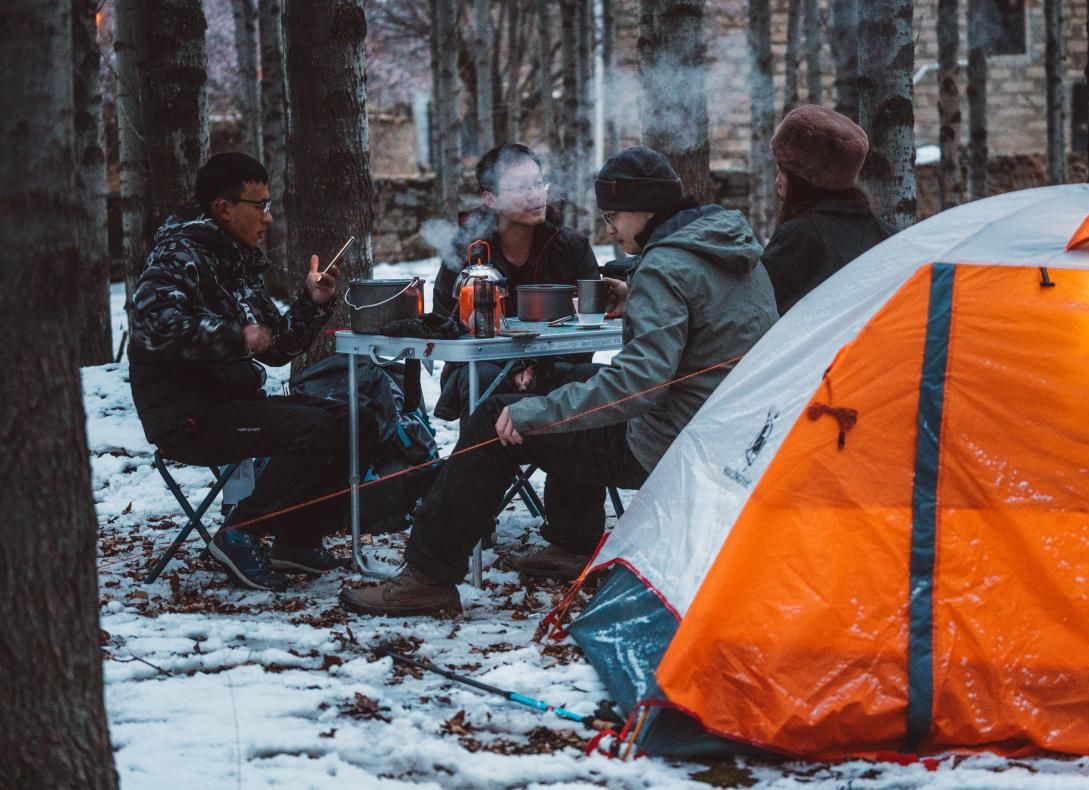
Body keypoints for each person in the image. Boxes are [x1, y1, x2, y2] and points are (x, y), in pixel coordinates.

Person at [340, 146, 779, 617]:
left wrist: (537, 412)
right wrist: (636, 299)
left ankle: (427, 576)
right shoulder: (728, 247)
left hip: (668, 441)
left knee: (497, 418)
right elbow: (704, 325)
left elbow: (640, 383)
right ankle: (572, 540)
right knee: (572, 380)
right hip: (735, 434)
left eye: (614, 215)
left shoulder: (662, 265)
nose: (609, 228)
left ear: (643, 209)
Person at [129, 152, 380, 593]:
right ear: (223, 208)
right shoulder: (178, 256)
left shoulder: (238, 262)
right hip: (189, 415)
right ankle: (238, 531)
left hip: (236, 403)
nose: (267, 219)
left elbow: (278, 348)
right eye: (258, 206)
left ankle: (297, 539)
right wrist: (235, 337)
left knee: (358, 418)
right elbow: (153, 327)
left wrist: (312, 304)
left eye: (269, 206)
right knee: (315, 428)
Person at [431, 143, 600, 420]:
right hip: (482, 365)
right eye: (521, 187)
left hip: (556, 364)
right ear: (490, 199)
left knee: (595, 378)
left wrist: (538, 366)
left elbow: (589, 325)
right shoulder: (466, 249)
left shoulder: (571, 246)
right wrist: (512, 367)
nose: (535, 195)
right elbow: (444, 324)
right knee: (482, 378)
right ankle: (483, 461)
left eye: (538, 183)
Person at [761, 104, 895, 315]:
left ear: (804, 180)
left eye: (783, 170)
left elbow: (762, 311)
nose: (777, 182)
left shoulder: (798, 238)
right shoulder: (889, 236)